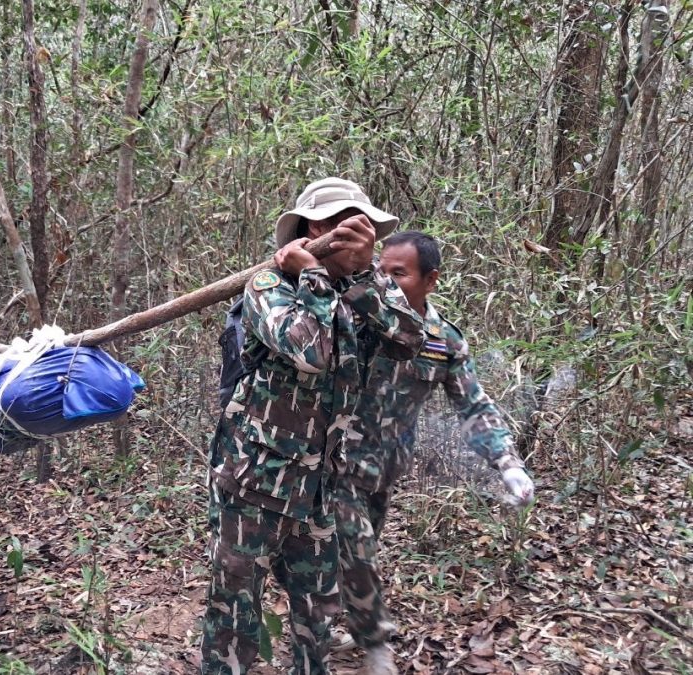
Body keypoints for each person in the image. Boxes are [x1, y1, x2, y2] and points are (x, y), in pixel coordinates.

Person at [201, 178, 425, 675]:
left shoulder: (368, 289)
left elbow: (411, 338)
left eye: (362, 226)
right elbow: (312, 350)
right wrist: (313, 275)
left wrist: (365, 273)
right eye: (342, 223)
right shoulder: (267, 287)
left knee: (316, 621)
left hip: (322, 492)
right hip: (253, 487)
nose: (357, 235)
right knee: (233, 617)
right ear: (315, 230)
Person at [328, 231, 535, 674]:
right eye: (381, 270)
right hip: (337, 462)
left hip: (384, 469)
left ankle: (329, 622)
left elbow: (474, 405)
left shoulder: (444, 341)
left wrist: (508, 464)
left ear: (431, 279)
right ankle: (374, 645)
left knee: (350, 552)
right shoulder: (360, 316)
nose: (386, 280)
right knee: (357, 550)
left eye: (398, 273)